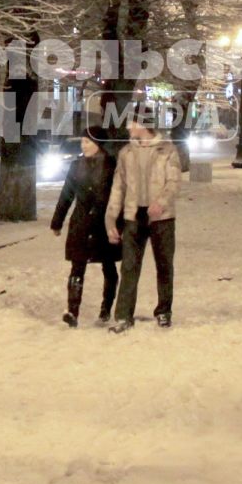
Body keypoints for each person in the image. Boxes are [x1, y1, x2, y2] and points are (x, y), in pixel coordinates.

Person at [104, 112, 180, 333]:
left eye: (132, 122)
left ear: (143, 125)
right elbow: (118, 187)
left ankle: (164, 311)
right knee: (129, 266)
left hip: (161, 218)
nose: (128, 127)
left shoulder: (167, 150)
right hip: (134, 215)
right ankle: (123, 316)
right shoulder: (126, 153)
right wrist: (110, 219)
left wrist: (161, 202)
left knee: (164, 264)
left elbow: (174, 182)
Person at [50, 133, 119, 327]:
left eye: (88, 141)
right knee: (77, 266)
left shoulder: (111, 165)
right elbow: (66, 195)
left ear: (98, 144)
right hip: (81, 223)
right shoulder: (76, 166)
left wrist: (118, 223)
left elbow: (119, 195)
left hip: (103, 223)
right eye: (82, 141)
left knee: (109, 266)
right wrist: (57, 222)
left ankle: (106, 308)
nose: (84, 145)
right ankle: (73, 311)